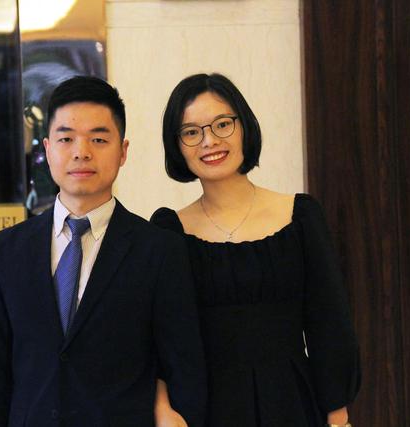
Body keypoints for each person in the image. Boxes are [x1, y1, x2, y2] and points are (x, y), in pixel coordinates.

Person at [0, 76, 206, 427]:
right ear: (47, 149)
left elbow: (184, 371)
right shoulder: (5, 252)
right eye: (66, 139)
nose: (81, 152)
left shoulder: (159, 251)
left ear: (123, 151)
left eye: (99, 139)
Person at [151, 73, 360, 427]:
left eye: (222, 124)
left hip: (291, 402)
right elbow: (157, 338)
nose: (209, 141)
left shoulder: (300, 216)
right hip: (203, 409)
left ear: (244, 126)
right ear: (178, 146)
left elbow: (329, 324)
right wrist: (163, 410)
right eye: (191, 132)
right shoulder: (168, 231)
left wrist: (337, 416)